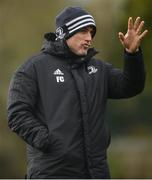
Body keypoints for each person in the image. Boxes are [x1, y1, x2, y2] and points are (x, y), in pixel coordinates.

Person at [7, 6, 148, 179]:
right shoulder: (33, 68)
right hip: (52, 173)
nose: (89, 38)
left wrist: (132, 55)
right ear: (64, 33)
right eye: (83, 31)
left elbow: (131, 85)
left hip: (97, 173)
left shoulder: (98, 69)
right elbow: (17, 114)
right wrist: (48, 141)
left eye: (91, 33)